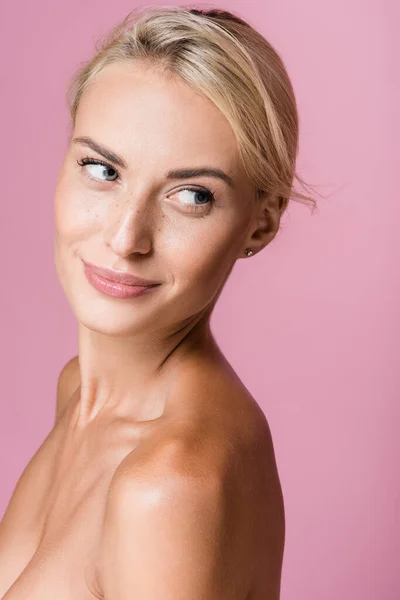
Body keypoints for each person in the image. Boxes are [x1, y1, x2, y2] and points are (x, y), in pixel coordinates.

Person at [0, 5, 317, 599]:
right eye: (102, 169)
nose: (125, 238)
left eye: (192, 195)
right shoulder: (81, 393)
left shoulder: (171, 481)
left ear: (260, 223)